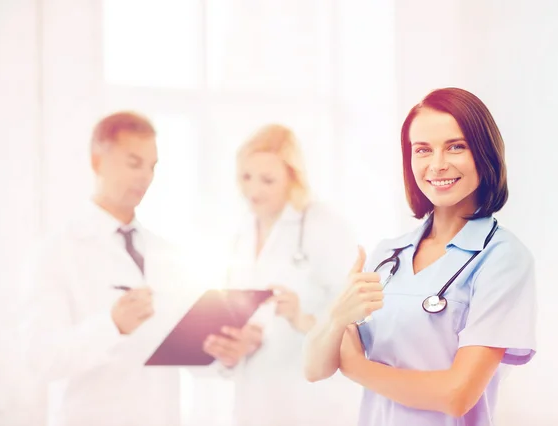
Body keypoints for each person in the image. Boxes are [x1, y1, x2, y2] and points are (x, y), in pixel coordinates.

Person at [302, 88, 537, 426]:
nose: (437, 165)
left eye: (456, 146)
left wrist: (356, 367)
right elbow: (314, 368)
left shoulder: (503, 259)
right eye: (423, 150)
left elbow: (456, 396)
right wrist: (338, 317)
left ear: (484, 153)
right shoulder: (387, 255)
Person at [20, 111, 197, 426]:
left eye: (152, 166)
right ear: (97, 162)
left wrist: (222, 351)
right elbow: (40, 359)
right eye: (133, 163)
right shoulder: (58, 252)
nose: (145, 176)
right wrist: (112, 325)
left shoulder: (166, 253)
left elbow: (179, 349)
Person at [201, 124, 363, 426]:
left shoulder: (322, 225)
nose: (253, 190)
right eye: (246, 177)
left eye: (267, 180)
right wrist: (235, 344)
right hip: (256, 399)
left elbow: (357, 318)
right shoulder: (241, 234)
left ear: (292, 178)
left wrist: (301, 319)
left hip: (313, 400)